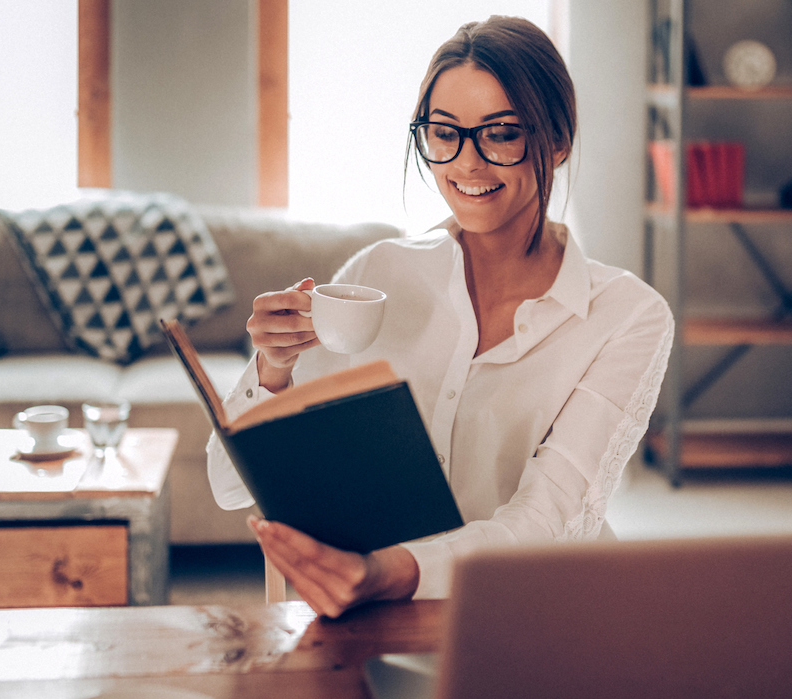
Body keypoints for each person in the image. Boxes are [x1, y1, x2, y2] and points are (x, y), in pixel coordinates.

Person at [207, 15, 674, 618]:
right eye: (444, 132)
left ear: (557, 141)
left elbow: (546, 519)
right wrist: (274, 370)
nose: (467, 164)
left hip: (536, 616)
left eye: (501, 134)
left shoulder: (628, 317)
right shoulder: (379, 274)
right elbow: (230, 485)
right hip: (374, 619)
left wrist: (384, 573)